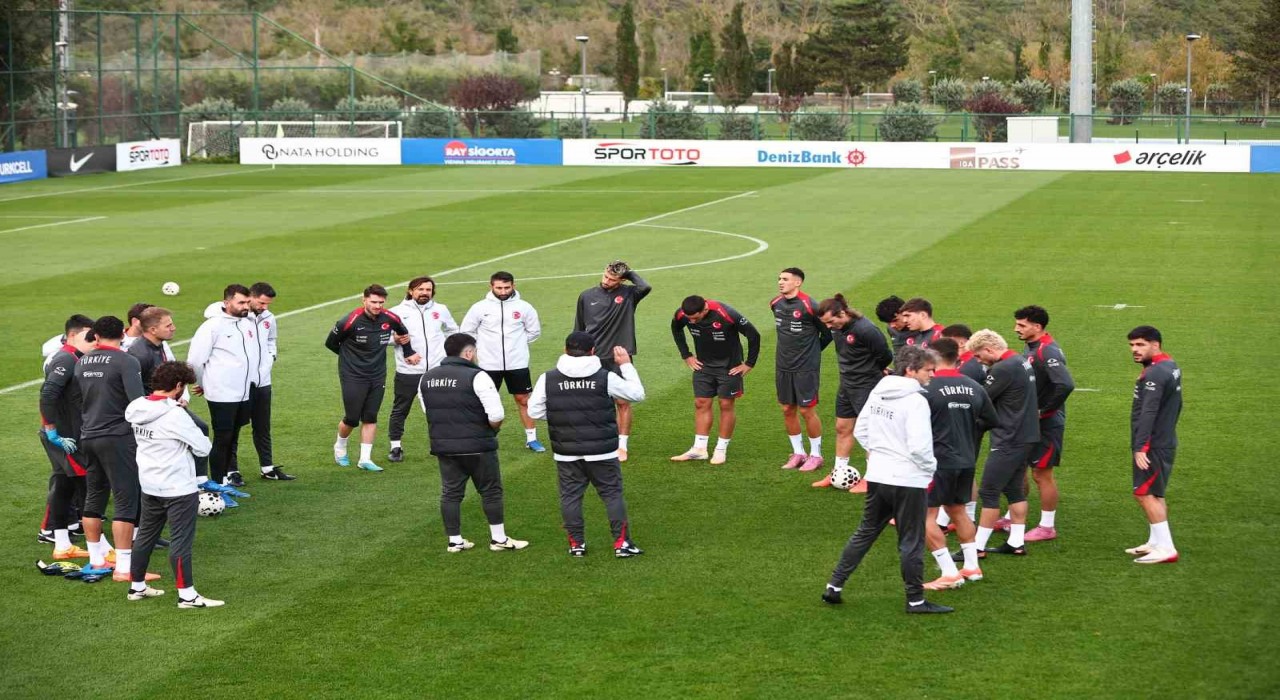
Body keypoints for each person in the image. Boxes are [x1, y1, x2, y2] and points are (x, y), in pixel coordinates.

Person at [821, 346, 952, 614]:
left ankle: (834, 586)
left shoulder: (878, 391)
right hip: (908, 479)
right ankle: (915, 600)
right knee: (911, 540)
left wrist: (877, 454)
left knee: (866, 531)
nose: (932, 375)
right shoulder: (916, 401)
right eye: (928, 370)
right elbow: (919, 447)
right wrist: (930, 469)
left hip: (878, 475)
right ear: (910, 370)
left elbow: (862, 430)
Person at [528, 332, 646, 558]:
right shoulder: (605, 377)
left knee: (570, 497)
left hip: (566, 451)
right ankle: (621, 544)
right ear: (593, 351)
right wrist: (626, 365)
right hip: (602, 451)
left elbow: (534, 411)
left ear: (565, 350)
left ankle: (577, 545)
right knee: (612, 495)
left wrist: (563, 418)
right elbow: (637, 394)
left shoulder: (548, 378)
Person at [124, 361, 223, 607]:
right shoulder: (175, 415)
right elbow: (204, 447)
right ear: (178, 386)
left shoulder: (136, 407)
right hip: (177, 486)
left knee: (145, 536)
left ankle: (137, 587)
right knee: (181, 540)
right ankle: (187, 595)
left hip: (149, 483)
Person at [421, 333, 529, 553]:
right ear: (469, 353)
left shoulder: (426, 377)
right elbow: (496, 415)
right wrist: (491, 430)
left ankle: (455, 541)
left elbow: (427, 410)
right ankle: (498, 539)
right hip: (478, 445)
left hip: (444, 445)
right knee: (490, 491)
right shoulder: (477, 376)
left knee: (451, 493)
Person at [74, 315, 160, 582]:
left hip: (89, 435)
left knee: (95, 495)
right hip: (118, 437)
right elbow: (136, 402)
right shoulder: (126, 361)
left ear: (96, 336)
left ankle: (96, 560)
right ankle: (124, 568)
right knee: (125, 498)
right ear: (123, 334)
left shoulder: (82, 361)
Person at [921, 339, 998, 590]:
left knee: (923, 515)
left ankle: (948, 572)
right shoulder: (974, 386)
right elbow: (991, 419)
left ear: (933, 357)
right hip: (966, 459)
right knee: (958, 510)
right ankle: (972, 567)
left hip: (937, 461)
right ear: (957, 357)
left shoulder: (926, 387)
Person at [326, 284, 418, 472]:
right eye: (374, 302)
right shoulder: (349, 321)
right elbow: (331, 343)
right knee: (352, 418)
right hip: (352, 375)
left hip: (377, 374)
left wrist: (409, 352)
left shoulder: (390, 318)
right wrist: (350, 360)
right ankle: (340, 446)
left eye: (381, 302)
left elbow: (403, 333)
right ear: (364, 300)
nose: (377, 306)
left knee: (370, 416)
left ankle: (365, 459)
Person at [966, 329, 1038, 557]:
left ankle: (977, 547)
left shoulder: (1002, 368)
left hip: (1009, 437)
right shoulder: (1021, 361)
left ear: (988, 349)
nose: (978, 361)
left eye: (978, 356)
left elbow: (982, 399)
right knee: (1014, 489)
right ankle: (1016, 542)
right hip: (1026, 435)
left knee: (989, 491)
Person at [573, 260, 651, 462]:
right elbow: (579, 328)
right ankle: (595, 441)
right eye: (606, 276)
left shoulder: (629, 294)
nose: (607, 281)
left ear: (622, 280)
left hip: (619, 357)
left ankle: (621, 446)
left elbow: (645, 287)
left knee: (622, 401)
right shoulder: (586, 296)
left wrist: (628, 272)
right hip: (592, 357)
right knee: (591, 403)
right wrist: (577, 354)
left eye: (613, 279)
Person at [812, 295, 892, 491]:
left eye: (831, 321)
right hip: (846, 385)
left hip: (867, 386)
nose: (828, 327)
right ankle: (838, 472)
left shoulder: (865, 329)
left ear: (842, 313)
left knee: (871, 433)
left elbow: (885, 355)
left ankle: (871, 478)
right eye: (825, 323)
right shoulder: (837, 328)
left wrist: (872, 371)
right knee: (842, 428)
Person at [187, 285, 259, 501]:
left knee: (233, 437)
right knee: (222, 438)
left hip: (244, 392)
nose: (246, 306)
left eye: (247, 302)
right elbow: (195, 361)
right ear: (227, 303)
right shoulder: (212, 326)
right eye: (241, 302)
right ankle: (217, 486)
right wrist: (204, 383)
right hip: (222, 393)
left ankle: (225, 482)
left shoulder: (247, 323)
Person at [668, 295, 760, 465]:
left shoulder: (726, 313)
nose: (691, 322)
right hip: (703, 366)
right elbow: (676, 328)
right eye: (689, 318)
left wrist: (749, 363)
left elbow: (753, 335)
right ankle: (699, 449)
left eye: (695, 318)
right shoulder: (682, 314)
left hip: (729, 367)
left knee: (726, 405)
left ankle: (721, 449)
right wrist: (686, 355)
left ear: (705, 309)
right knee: (701, 403)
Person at [460, 271, 545, 453]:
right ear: (491, 286)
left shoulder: (525, 307)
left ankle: (531, 439)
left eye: (507, 287)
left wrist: (517, 345)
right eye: (499, 288)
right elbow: (467, 331)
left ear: (513, 286)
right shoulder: (479, 308)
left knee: (523, 400)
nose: (503, 291)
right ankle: (481, 438)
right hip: (488, 364)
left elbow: (534, 331)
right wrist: (481, 348)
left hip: (518, 363)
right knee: (484, 401)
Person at [1013, 305, 1075, 542]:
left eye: (1022, 325)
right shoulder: (1032, 346)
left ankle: (1047, 526)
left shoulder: (1047, 350)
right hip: (1028, 421)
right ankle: (1012, 516)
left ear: (1037, 327)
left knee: (1041, 474)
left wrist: (1044, 411)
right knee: (1018, 468)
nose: (1016, 329)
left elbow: (1065, 384)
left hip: (1047, 425)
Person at [38, 314, 95, 561]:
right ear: (73, 335)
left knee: (64, 485)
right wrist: (52, 430)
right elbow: (48, 393)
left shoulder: (75, 357)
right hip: (66, 436)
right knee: (87, 488)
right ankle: (99, 547)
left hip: (68, 433)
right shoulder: (66, 359)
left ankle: (62, 543)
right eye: (89, 336)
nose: (94, 340)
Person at [1125, 326, 1182, 564]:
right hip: (1163, 439)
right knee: (1156, 493)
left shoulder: (1155, 374)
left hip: (1153, 444)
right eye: (1132, 345)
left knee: (1144, 493)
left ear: (1155, 344)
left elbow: (1148, 412)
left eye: (1140, 345)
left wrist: (1141, 447)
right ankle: (1156, 542)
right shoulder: (1170, 365)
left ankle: (1166, 548)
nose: (1134, 350)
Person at [388, 276, 458, 462]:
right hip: (408, 370)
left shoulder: (441, 309)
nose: (424, 293)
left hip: (436, 370)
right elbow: (382, 337)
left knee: (440, 408)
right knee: (401, 409)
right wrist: (395, 340)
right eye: (420, 289)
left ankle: (442, 444)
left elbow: (453, 330)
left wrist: (447, 354)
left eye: (428, 290)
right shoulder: (396, 312)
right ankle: (395, 446)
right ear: (411, 291)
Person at [771, 268, 830, 471]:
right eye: (779, 278)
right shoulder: (775, 303)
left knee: (806, 410)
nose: (780, 282)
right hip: (783, 365)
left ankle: (816, 455)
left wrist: (812, 353)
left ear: (798, 282)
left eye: (785, 279)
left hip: (806, 367)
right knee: (787, 409)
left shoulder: (810, 306)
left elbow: (827, 334)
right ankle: (798, 453)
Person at [246, 282, 291, 481]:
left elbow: (271, 340)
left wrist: (271, 356)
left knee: (262, 426)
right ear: (250, 297)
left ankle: (267, 468)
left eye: (268, 304)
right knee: (232, 429)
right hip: (240, 382)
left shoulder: (268, 317)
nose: (265, 307)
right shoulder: (238, 319)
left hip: (263, 381)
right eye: (262, 303)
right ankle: (231, 472)